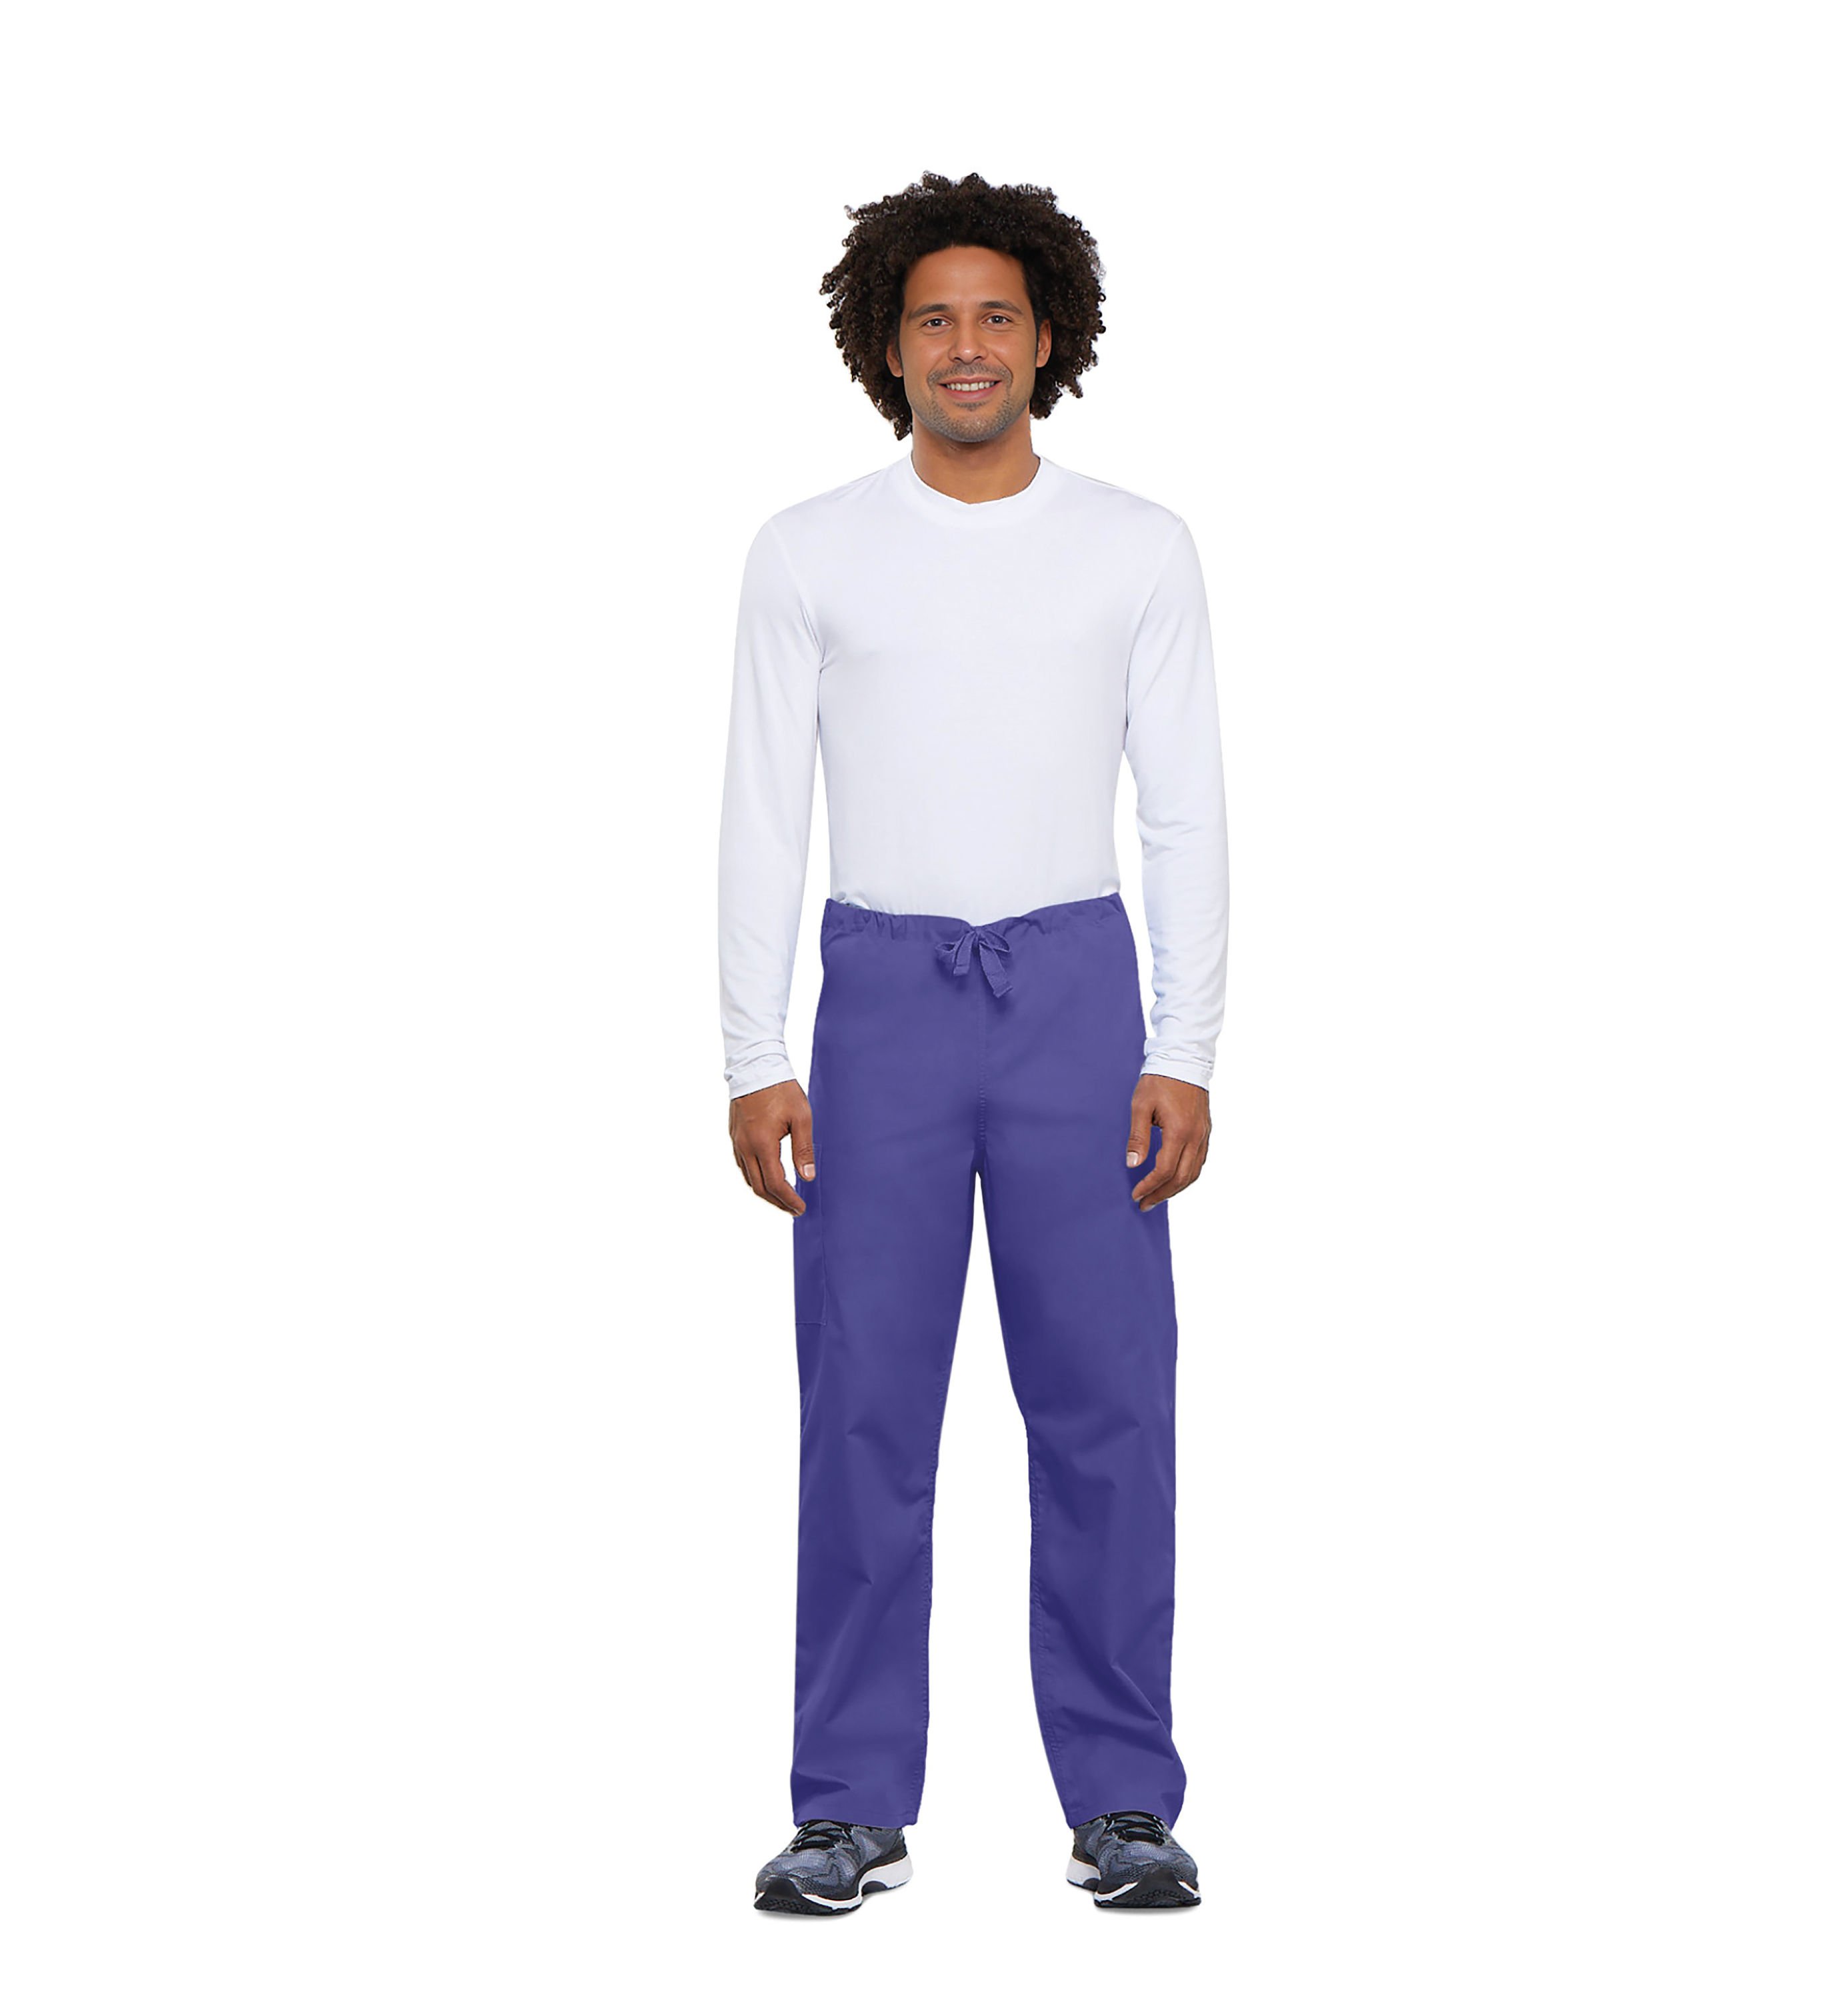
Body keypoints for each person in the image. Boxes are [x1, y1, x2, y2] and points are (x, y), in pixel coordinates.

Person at [719, 171, 1227, 1915]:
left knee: (1109, 1406)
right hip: (882, 1004)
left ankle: (1124, 1797)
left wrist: (1185, 1043)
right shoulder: (809, 553)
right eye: (932, 317)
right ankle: (848, 1801)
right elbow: (763, 814)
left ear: (1048, 336)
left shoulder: (1137, 547)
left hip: (1080, 997)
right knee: (864, 1405)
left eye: (996, 315)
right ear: (887, 344)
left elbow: (1186, 813)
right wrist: (752, 1052)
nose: (965, 346)